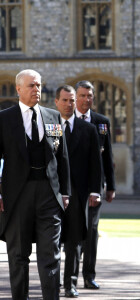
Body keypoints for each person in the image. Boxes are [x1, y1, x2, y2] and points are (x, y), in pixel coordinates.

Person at [0, 69, 71, 300]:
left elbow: (63, 158)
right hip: (17, 194)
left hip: (49, 194)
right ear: (18, 89)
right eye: (31, 85)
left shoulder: (53, 117)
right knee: (19, 254)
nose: (36, 90)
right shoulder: (4, 119)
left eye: (39, 85)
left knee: (51, 254)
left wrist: (65, 193)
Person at [55, 85, 102, 297]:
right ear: (56, 102)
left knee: (74, 240)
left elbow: (96, 164)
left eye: (71, 101)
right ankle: (52, 280)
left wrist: (95, 191)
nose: (69, 104)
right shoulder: (51, 126)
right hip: (53, 193)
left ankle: (70, 283)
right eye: (64, 100)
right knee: (52, 240)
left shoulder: (88, 130)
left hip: (78, 194)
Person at [75, 80, 115, 289]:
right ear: (75, 98)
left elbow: (107, 155)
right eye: (82, 95)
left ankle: (88, 275)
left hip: (94, 187)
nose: (86, 99)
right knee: (73, 232)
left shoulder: (101, 122)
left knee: (91, 231)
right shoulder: (66, 120)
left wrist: (111, 187)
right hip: (72, 187)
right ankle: (69, 277)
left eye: (89, 96)